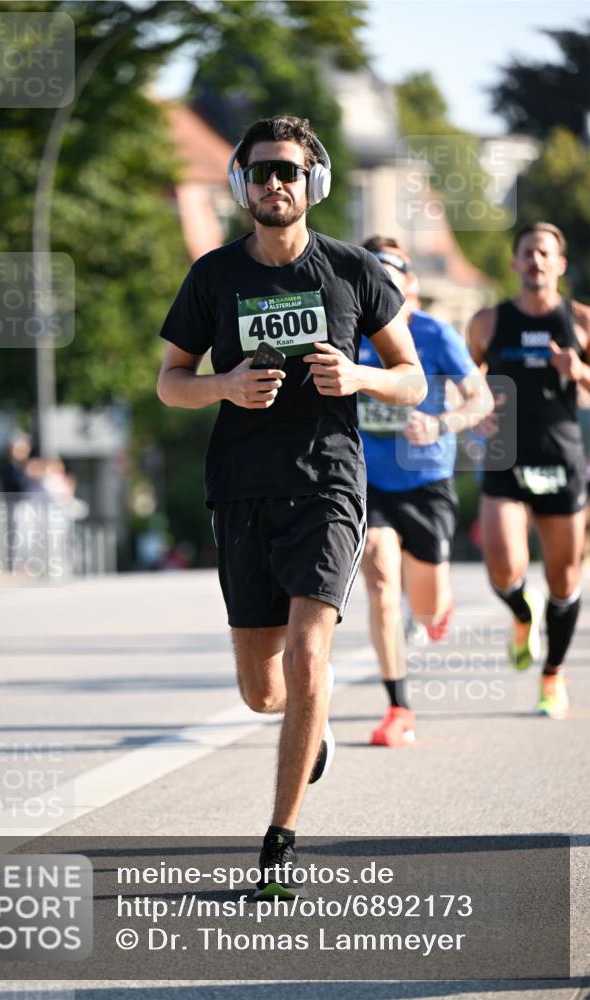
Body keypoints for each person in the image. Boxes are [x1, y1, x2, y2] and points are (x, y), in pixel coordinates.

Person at [157, 116, 425, 897]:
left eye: (290, 172)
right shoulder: (212, 277)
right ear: (241, 182)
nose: (277, 184)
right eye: (263, 171)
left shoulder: (352, 271)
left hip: (328, 484)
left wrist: (362, 377)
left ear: (314, 182)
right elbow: (171, 380)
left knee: (310, 656)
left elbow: (410, 376)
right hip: (240, 489)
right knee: (263, 691)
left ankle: (279, 845)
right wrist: (223, 386)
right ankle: (312, 725)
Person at [358, 237, 493, 747]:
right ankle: (398, 707)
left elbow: (479, 399)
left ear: (409, 284)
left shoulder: (434, 334)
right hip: (369, 482)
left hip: (426, 480)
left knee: (427, 604)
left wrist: (440, 424)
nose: (381, 287)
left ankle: (438, 608)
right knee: (379, 582)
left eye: (390, 277)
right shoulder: (349, 334)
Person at [468, 222, 590, 719]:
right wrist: (474, 409)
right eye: (527, 253)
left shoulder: (580, 321)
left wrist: (578, 371)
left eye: (545, 253)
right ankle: (522, 612)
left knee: (563, 580)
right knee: (501, 562)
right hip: (505, 456)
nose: (536, 261)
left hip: (561, 458)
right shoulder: (487, 322)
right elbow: (464, 379)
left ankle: (552, 677)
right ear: (515, 263)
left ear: (559, 264)